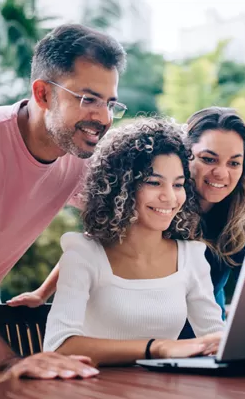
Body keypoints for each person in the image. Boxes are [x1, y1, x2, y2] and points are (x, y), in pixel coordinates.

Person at [0, 23, 127, 382]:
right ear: (42, 94)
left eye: (110, 103)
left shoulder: (79, 158)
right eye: (88, 99)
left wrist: (46, 291)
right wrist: (5, 364)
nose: (103, 118)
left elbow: (109, 233)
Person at [43, 118, 224, 366]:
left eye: (178, 185)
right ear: (122, 187)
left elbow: (215, 338)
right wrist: (157, 348)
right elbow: (59, 347)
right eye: (153, 182)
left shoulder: (191, 257)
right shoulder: (84, 254)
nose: (170, 197)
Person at [179, 106, 245, 339]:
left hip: (211, 342)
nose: (221, 173)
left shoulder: (242, 219)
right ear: (183, 155)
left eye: (234, 163)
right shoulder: (157, 212)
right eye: (208, 159)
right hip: (157, 345)